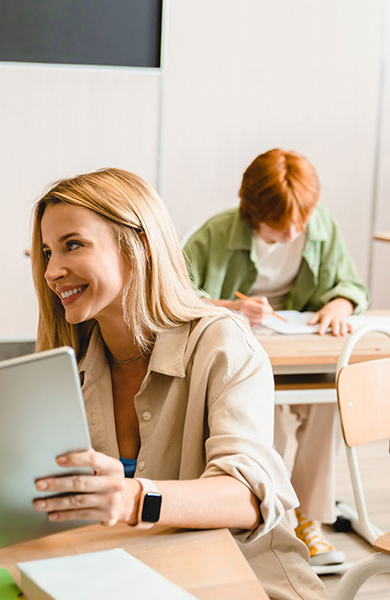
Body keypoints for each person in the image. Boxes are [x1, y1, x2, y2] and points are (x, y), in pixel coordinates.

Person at [29, 168, 327, 599]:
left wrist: (133, 499)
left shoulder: (223, 342)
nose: (53, 270)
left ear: (141, 245)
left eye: (72, 245)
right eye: (46, 252)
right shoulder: (66, 362)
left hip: (242, 582)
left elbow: (246, 498)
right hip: (128, 580)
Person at [182, 148, 368, 570]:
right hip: (241, 361)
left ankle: (309, 518)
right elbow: (173, 297)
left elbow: (351, 285)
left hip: (300, 356)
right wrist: (229, 306)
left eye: (300, 222)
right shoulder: (214, 234)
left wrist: (340, 303)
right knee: (262, 421)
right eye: (279, 226)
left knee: (332, 407)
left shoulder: (320, 226)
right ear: (252, 212)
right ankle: (270, 516)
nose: (293, 233)